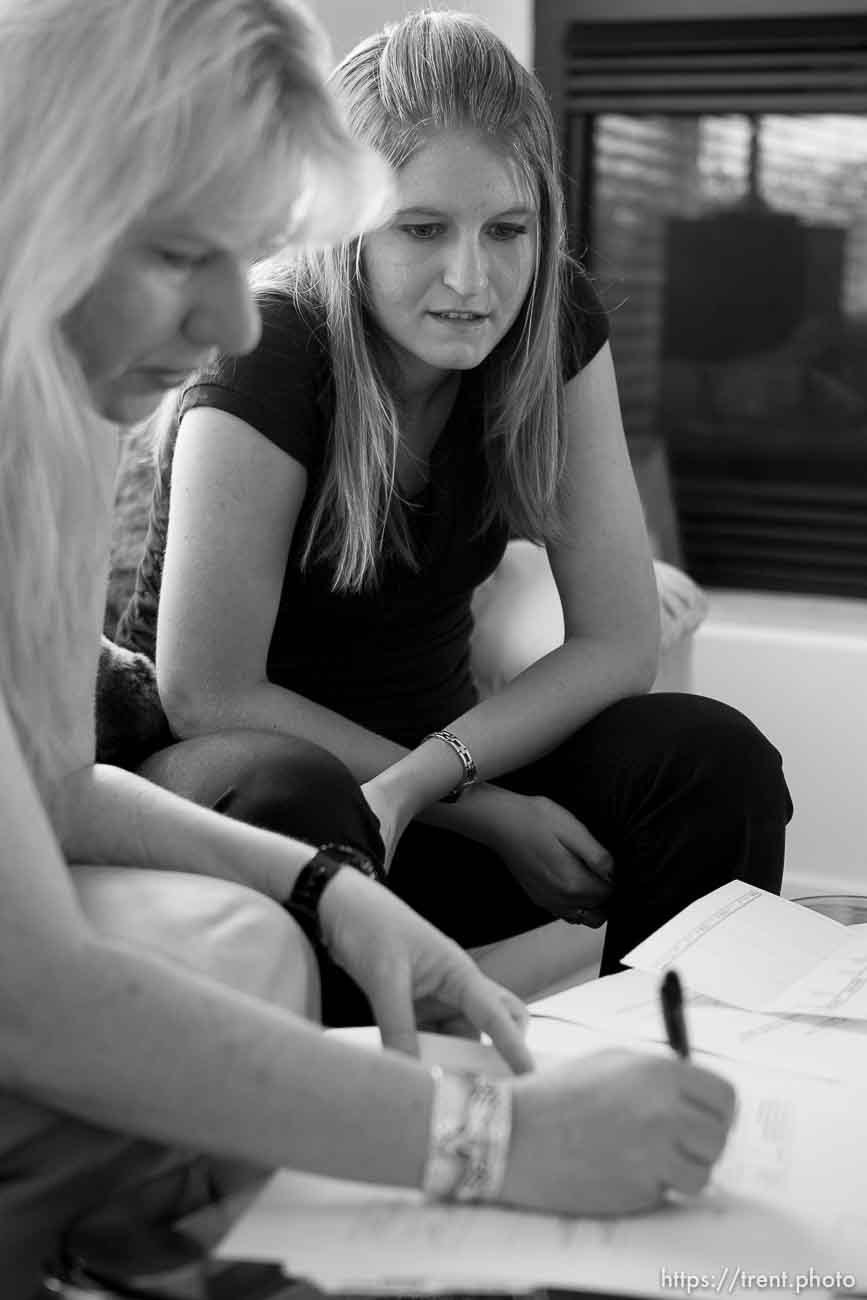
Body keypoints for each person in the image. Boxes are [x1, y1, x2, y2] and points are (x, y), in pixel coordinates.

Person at [1, 1, 737, 1294]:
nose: (231, 326)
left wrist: (325, 891)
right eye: (185, 253)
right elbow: (29, 987)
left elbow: (54, 785)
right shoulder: (248, 361)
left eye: (249, 255)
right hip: (245, 747)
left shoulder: (52, 420)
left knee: (693, 756)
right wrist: (493, 1139)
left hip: (387, 782)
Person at [116, 8, 792, 1017]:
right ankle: (358, 1125)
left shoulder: (550, 328)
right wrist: (489, 814)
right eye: (423, 228)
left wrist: (436, 778)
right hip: (246, 790)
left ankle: (655, 1078)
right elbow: (207, 689)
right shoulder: (267, 348)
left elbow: (616, 644)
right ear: (346, 222)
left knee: (710, 759)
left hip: (422, 786)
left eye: (507, 230)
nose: (473, 280)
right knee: (298, 791)